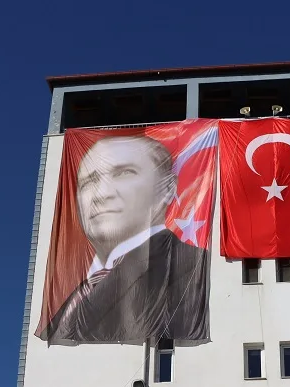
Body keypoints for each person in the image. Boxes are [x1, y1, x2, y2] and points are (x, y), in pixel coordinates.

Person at [42, 135, 209, 343]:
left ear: (167, 188)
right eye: (88, 182)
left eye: (123, 173)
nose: (101, 194)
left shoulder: (192, 265)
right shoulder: (73, 293)